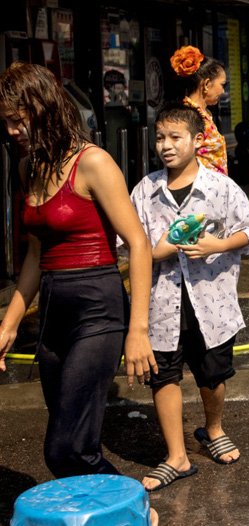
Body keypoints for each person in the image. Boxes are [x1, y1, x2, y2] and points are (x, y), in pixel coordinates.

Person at [0, 64, 158, 482]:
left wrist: (138, 329)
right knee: (74, 445)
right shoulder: (26, 167)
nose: (12, 130)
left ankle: (136, 508)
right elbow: (35, 254)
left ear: (43, 107)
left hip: (97, 307)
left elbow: (139, 244)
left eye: (18, 119)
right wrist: (9, 324)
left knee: (63, 446)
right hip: (54, 310)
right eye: (6, 122)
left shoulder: (93, 162)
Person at [129, 102, 249, 491]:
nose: (166, 146)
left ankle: (213, 428)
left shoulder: (220, 186)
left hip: (212, 302)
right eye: (160, 138)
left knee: (213, 374)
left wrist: (215, 245)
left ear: (197, 140)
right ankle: (176, 456)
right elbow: (131, 244)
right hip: (161, 304)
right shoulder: (145, 190)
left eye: (175, 137)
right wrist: (163, 248)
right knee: (163, 374)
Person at [171, 45, 228, 175]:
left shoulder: (203, 113)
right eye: (222, 84)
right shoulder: (187, 115)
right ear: (207, 84)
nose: (223, 91)